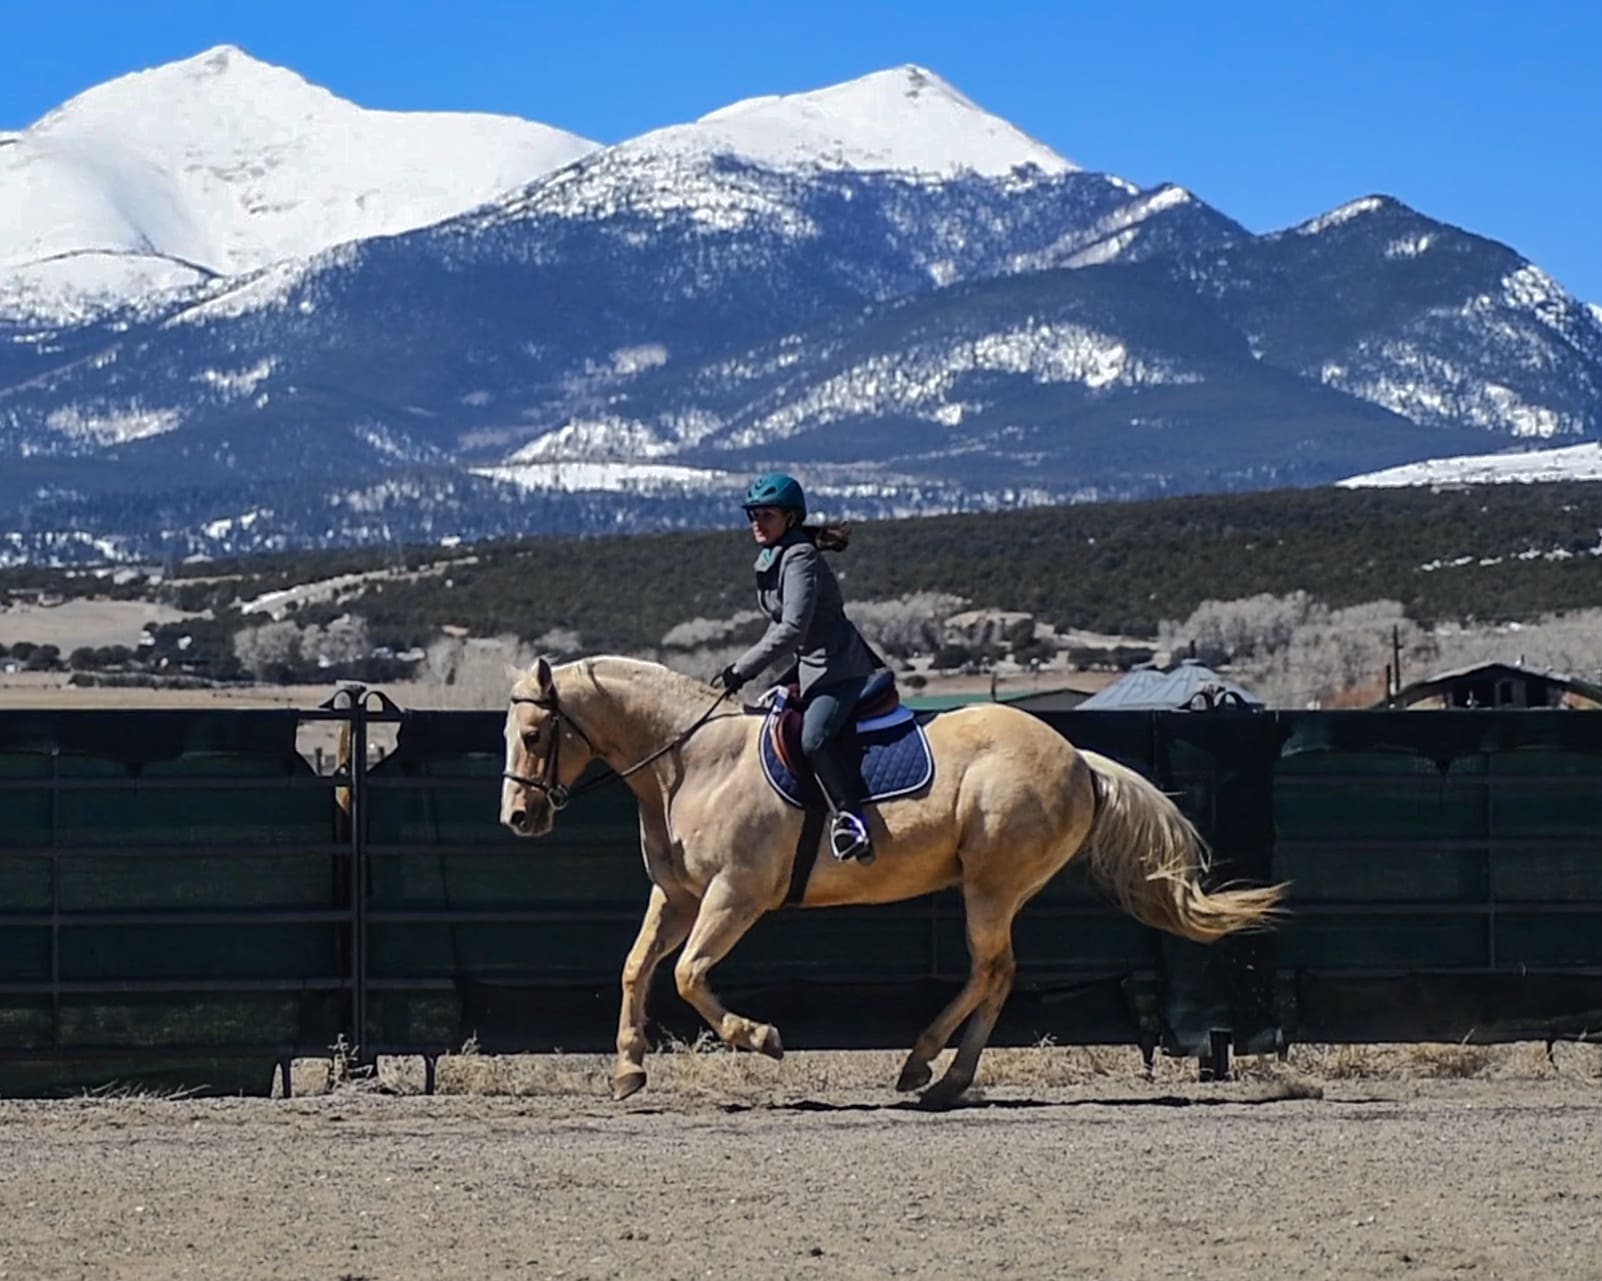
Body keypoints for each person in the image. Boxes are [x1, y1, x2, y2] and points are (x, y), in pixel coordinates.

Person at [713, 472, 884, 864]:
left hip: (838, 668)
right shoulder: (776, 555)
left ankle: (852, 821)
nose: (757, 522)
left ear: (789, 518)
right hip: (807, 666)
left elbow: (792, 628)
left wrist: (741, 669)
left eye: (766, 514)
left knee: (814, 740)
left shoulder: (800, 556)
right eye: (752, 514)